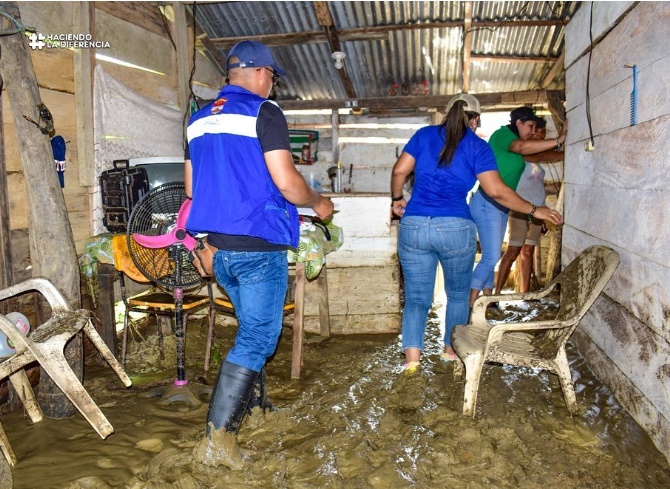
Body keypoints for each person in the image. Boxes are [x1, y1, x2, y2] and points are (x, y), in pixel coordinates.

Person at [184, 40, 334, 469]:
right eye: (272, 76)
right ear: (261, 73)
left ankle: (258, 410)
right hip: (256, 247)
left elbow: (193, 191)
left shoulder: (196, 121)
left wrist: (203, 243)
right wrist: (319, 203)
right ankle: (217, 441)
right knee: (257, 338)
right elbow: (287, 183)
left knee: (253, 327)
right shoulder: (263, 112)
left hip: (220, 250)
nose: (272, 83)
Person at [390, 95, 562, 373]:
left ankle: (412, 362)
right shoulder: (478, 146)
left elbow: (399, 170)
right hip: (456, 227)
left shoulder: (424, 135)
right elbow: (496, 191)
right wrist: (534, 210)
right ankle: (450, 352)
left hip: (415, 225)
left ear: (447, 115)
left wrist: (397, 199)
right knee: (458, 296)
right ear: (476, 120)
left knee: (416, 299)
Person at [469, 107, 567, 308]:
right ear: (519, 123)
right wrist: (559, 139)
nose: (533, 130)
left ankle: (487, 301)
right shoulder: (503, 135)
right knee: (492, 256)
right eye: (530, 126)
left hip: (500, 205)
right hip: (489, 202)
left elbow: (536, 154)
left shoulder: (515, 147)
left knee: (490, 254)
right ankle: (469, 307)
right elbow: (522, 148)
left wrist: (562, 149)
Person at [494, 119, 564, 294]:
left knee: (528, 251)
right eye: (536, 131)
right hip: (520, 208)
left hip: (538, 209)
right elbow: (540, 155)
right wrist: (566, 152)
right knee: (513, 250)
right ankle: (496, 294)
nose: (539, 135)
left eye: (542, 133)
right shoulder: (522, 152)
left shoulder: (537, 159)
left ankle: (524, 295)